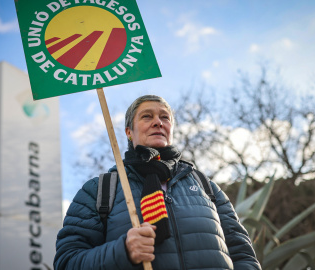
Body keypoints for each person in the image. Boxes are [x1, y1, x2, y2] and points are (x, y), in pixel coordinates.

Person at [54, 95, 261, 270]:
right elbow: (67, 261)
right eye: (147, 116)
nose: (158, 122)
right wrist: (122, 251)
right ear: (129, 132)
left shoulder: (205, 185)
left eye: (165, 117)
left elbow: (242, 255)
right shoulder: (99, 191)